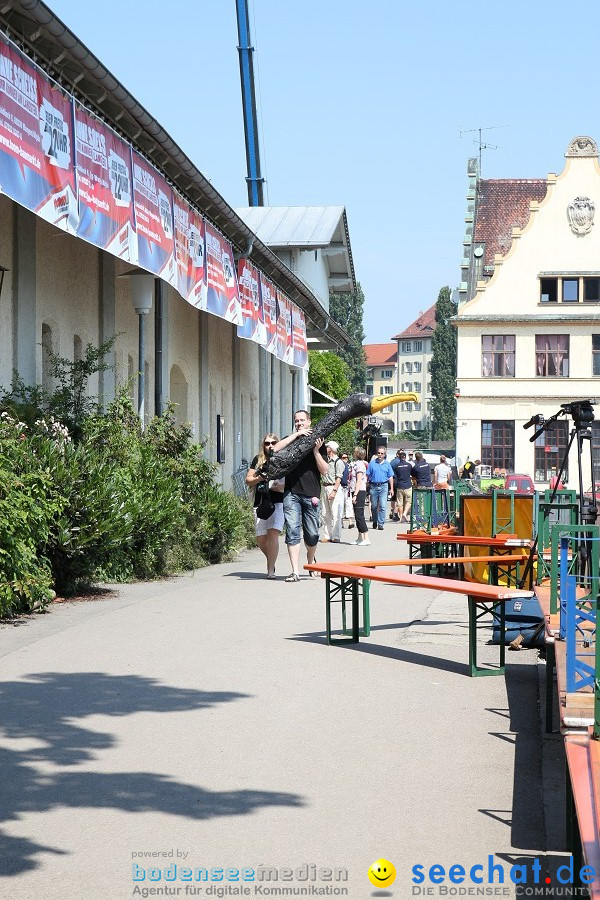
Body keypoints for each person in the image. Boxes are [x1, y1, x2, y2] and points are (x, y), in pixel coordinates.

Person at [272, 409, 328, 583]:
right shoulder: (292, 440)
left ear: (309, 422)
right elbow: (274, 449)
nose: (299, 423)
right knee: (293, 530)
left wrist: (317, 451)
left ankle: (311, 562)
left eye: (302, 421)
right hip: (292, 492)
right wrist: (296, 436)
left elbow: (325, 470)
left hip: (311, 493)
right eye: (296, 421)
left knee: (312, 535)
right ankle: (295, 571)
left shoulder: (319, 442)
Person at [246, 433, 285, 578]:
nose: (270, 446)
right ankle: (271, 561)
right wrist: (260, 477)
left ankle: (270, 570)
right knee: (261, 538)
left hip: (278, 501)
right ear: (263, 445)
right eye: (267, 443)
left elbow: (290, 481)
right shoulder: (258, 460)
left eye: (273, 443)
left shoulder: (282, 459)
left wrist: (280, 485)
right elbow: (248, 480)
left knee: (273, 534)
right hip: (261, 502)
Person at [321, 440, 345, 543]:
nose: (326, 449)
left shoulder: (338, 462)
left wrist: (334, 491)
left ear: (331, 449)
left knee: (335, 513)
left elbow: (339, 477)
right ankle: (327, 535)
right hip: (324, 487)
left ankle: (336, 536)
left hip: (333, 487)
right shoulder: (326, 460)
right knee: (325, 512)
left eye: (327, 447)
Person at [366, 446, 394, 530]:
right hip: (374, 486)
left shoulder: (387, 464)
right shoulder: (372, 463)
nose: (380, 455)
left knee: (382, 505)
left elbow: (390, 477)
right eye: (379, 453)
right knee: (374, 506)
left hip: (383, 486)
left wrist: (391, 488)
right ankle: (375, 520)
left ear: (384, 454)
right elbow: (367, 475)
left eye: (382, 453)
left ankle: (381, 523)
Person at [350, 446, 370, 545]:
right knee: (356, 515)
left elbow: (359, 480)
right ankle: (360, 537)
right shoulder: (356, 464)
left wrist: (355, 495)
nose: (353, 453)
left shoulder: (360, 465)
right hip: (355, 490)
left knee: (359, 515)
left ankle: (366, 538)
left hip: (359, 491)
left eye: (355, 452)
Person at [392, 450, 413, 523]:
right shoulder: (409, 465)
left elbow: (395, 476)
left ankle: (401, 517)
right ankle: (405, 513)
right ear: (405, 457)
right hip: (408, 485)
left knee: (399, 502)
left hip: (400, 486)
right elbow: (411, 474)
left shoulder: (397, 466)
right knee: (408, 501)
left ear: (399, 457)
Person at [340, 452, 356, 529]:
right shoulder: (339, 465)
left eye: (346, 457)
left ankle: (350, 522)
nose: (345, 459)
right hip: (340, 487)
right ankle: (341, 522)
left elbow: (353, 477)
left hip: (348, 488)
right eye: (343, 457)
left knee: (349, 504)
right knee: (340, 505)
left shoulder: (350, 466)